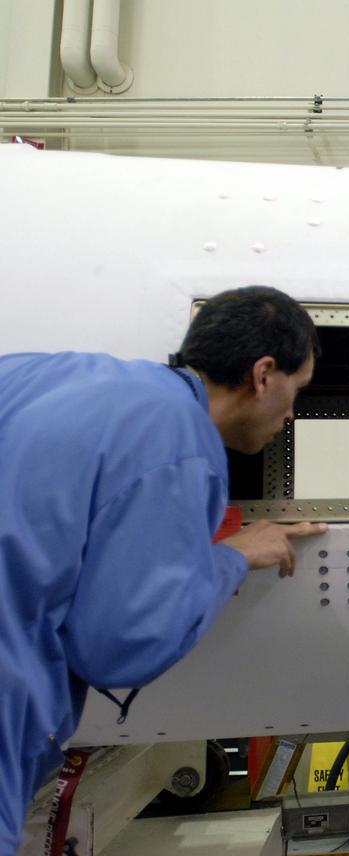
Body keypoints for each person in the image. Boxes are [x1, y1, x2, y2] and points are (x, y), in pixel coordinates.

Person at [0, 285, 329, 852]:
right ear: (263, 374)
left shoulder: (42, 375)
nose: (290, 414)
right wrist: (229, 559)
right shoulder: (181, 441)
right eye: (295, 392)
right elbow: (118, 647)